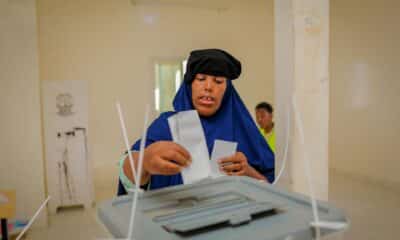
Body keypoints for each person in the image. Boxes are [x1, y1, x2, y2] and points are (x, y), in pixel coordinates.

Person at [118, 49, 274, 195]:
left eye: (218, 81)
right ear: (189, 85)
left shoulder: (243, 129)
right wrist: (145, 161)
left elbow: (272, 189)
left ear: (227, 91)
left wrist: (247, 172)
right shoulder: (167, 124)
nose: (208, 87)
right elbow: (126, 171)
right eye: (200, 79)